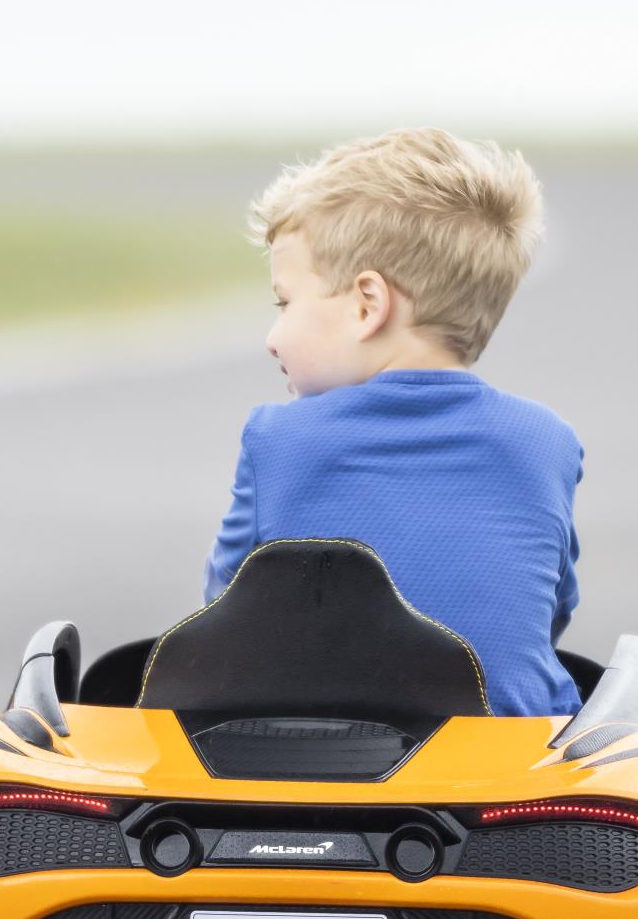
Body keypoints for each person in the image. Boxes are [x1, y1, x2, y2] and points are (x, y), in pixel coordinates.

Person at [202, 128, 584, 716]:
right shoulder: (547, 442)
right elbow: (546, 611)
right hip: (506, 773)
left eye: (284, 303)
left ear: (367, 305)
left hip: (307, 761)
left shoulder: (277, 439)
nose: (272, 337)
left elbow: (224, 614)